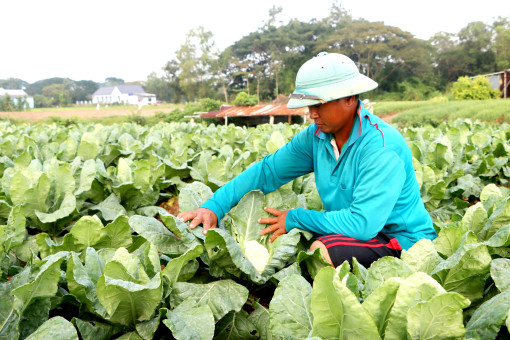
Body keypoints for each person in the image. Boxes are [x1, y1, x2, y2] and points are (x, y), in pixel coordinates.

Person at [177, 52, 436, 268]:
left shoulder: (381, 147)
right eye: (309, 104)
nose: (312, 113)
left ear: (349, 98)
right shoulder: (316, 137)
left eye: (319, 103)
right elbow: (267, 172)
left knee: (321, 251)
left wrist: (295, 217)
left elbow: (362, 224)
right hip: (359, 232)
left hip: (404, 242)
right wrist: (214, 206)